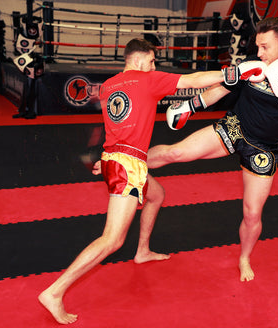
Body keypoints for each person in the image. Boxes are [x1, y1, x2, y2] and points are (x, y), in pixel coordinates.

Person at [38, 38, 264, 324]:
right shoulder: (147, 79)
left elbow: (118, 125)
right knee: (112, 239)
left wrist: (107, 159)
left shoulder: (109, 86)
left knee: (156, 195)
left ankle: (142, 250)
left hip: (116, 158)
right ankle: (55, 292)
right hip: (128, 166)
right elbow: (192, 80)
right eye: (153, 60)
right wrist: (234, 72)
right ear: (141, 58)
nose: (154, 65)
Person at [147, 17, 278, 282]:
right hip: (235, 127)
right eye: (258, 46)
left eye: (265, 46)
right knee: (176, 152)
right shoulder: (255, 62)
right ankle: (126, 160)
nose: (260, 53)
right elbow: (222, 88)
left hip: (264, 147)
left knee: (252, 213)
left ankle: (244, 258)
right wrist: (190, 106)